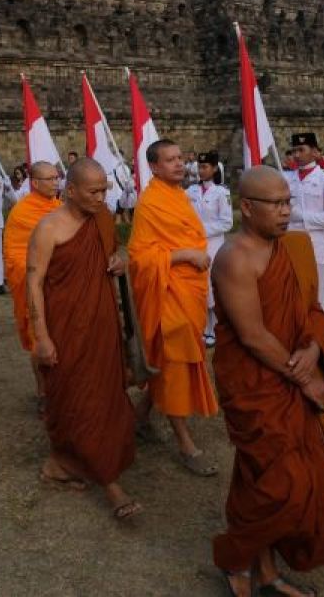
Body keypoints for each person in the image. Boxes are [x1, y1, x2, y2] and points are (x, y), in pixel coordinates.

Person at [212, 166, 324, 597]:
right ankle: (235, 558)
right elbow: (252, 336)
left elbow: (311, 312)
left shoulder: (295, 249)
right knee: (283, 484)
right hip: (255, 382)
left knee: (266, 476)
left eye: (288, 202)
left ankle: (265, 571)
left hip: (291, 366)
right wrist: (306, 380)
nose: (286, 211)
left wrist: (312, 351)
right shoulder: (235, 257)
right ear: (247, 208)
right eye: (276, 204)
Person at [27, 158, 140, 520]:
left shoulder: (103, 218)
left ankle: (60, 464)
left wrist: (121, 259)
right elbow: (33, 283)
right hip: (66, 327)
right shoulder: (49, 228)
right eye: (93, 191)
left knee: (104, 395)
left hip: (102, 324)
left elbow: (114, 255)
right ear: (71, 190)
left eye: (104, 190)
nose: (101, 197)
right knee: (75, 399)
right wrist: (41, 336)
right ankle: (110, 484)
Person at [129, 139, 219, 476]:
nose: (179, 164)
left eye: (181, 158)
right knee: (176, 361)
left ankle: (139, 417)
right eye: (170, 160)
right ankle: (185, 443)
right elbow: (139, 258)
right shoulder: (150, 203)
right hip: (168, 294)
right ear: (154, 167)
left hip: (188, 288)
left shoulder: (179, 195)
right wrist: (182, 256)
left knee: (169, 363)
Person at [4, 161, 64, 408]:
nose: (55, 183)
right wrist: (37, 275)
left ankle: (61, 388)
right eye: (49, 179)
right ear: (35, 183)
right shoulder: (23, 212)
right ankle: (42, 391)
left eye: (56, 178)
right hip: (36, 284)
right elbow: (16, 255)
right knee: (38, 338)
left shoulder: (60, 207)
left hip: (60, 284)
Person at [286, 132, 324, 312]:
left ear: (314, 152)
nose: (296, 154)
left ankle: (318, 338)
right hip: (289, 245)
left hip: (314, 247)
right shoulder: (286, 178)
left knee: (316, 296)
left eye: (301, 150)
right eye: (294, 150)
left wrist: (302, 216)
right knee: (290, 295)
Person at [185, 151, 232, 348]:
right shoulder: (190, 191)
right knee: (197, 287)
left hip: (213, 246)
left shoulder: (222, 193)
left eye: (205, 167)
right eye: (199, 166)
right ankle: (199, 325)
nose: (201, 170)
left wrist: (201, 230)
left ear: (214, 169)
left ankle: (212, 329)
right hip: (193, 246)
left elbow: (226, 222)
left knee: (211, 288)